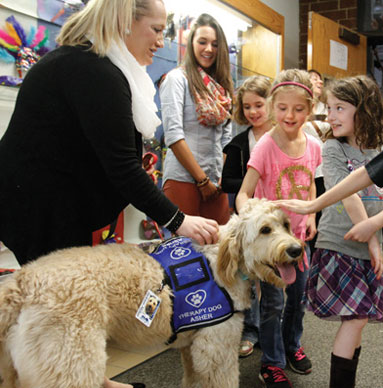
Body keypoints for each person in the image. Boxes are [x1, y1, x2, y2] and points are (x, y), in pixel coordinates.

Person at [0, 1, 219, 387]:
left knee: (61, 312)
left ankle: (91, 379)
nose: (160, 40)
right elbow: (123, 169)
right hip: (40, 209)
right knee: (63, 310)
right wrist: (179, 220)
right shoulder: (93, 71)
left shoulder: (93, 65)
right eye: (155, 29)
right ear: (124, 22)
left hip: (49, 203)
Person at [283, 75, 383, 388]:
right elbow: (348, 194)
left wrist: (374, 227)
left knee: (356, 324)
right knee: (357, 318)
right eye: (328, 108)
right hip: (339, 248)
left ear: (364, 109)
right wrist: (372, 238)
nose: (330, 115)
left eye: (339, 108)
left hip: (366, 250)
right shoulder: (332, 148)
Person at [236, 69, 321, 388]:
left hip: (300, 240)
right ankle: (271, 362)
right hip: (273, 249)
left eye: (299, 109)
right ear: (273, 107)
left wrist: (312, 215)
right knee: (272, 303)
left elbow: (310, 183)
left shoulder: (313, 145)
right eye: (283, 108)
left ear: (310, 109)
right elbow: (244, 193)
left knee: (299, 300)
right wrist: (253, 219)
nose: (290, 115)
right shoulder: (265, 146)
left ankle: (291, 346)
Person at [160, 13, 233, 225]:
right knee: (185, 251)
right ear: (191, 43)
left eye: (215, 44)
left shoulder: (222, 87)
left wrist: (219, 178)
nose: (208, 49)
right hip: (183, 179)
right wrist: (202, 181)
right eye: (202, 42)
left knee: (219, 248)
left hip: (216, 182)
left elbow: (226, 139)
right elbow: (173, 136)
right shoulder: (176, 79)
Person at [221, 75, 272, 357]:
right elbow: (226, 182)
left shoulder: (285, 136)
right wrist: (250, 185)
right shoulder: (239, 143)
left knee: (277, 282)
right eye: (248, 107)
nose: (253, 112)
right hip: (250, 218)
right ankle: (250, 331)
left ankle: (276, 334)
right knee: (250, 278)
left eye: (259, 105)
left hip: (280, 223)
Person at [302, 69, 330, 254]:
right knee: (314, 214)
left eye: (320, 79)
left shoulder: (327, 105)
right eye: (314, 79)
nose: (319, 82)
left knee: (327, 217)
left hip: (329, 167)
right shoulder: (301, 108)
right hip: (311, 169)